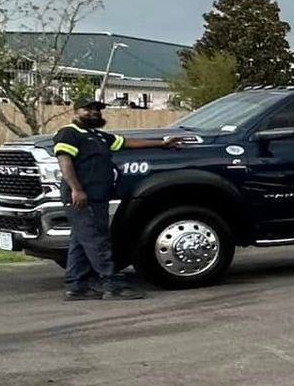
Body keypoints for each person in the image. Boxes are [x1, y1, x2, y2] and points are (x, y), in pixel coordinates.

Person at [52, 99, 191, 301]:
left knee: (81, 240)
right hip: (82, 196)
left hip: (97, 196)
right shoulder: (69, 133)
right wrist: (76, 189)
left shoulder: (97, 136)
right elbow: (65, 162)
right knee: (97, 239)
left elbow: (125, 142)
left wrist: (162, 143)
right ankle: (112, 284)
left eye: (97, 110)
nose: (93, 113)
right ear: (75, 112)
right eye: (88, 109)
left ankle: (76, 286)